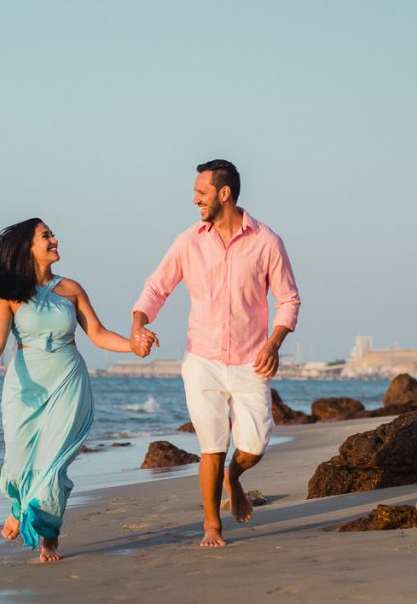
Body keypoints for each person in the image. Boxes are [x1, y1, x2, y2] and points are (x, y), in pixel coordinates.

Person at [130, 159, 300, 548]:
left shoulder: (266, 241)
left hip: (250, 360)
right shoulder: (188, 241)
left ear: (224, 194)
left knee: (254, 445)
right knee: (212, 445)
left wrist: (274, 343)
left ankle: (234, 477)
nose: (195, 200)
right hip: (202, 360)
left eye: (201, 193)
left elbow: (288, 299)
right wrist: (139, 322)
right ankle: (212, 525)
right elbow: (157, 287)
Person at [0, 217, 135, 562]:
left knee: (52, 464)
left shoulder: (71, 289)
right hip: (25, 386)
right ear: (29, 247)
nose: (55, 239)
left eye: (52, 234)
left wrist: (134, 346)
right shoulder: (9, 295)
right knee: (17, 460)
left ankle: (49, 537)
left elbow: (98, 334)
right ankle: (20, 504)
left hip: (68, 380)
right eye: (46, 235)